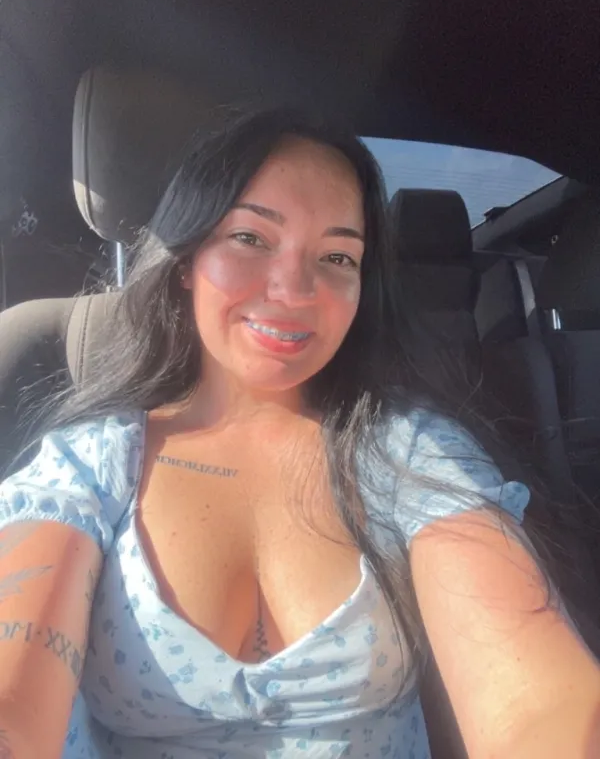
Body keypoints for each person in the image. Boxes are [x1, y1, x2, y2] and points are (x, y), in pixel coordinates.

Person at [0, 109, 599, 759]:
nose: (293, 289)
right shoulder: (88, 467)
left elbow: (540, 706)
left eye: (337, 256)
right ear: (188, 258)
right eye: (251, 238)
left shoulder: (410, 453)